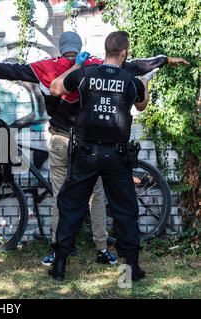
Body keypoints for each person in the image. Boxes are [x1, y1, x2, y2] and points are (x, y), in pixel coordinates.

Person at [0, 31, 189, 266]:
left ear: (61, 47)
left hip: (60, 138)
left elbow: (10, 71)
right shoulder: (95, 65)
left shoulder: (47, 67)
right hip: (87, 143)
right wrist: (165, 60)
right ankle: (102, 249)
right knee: (96, 197)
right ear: (79, 46)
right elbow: (135, 65)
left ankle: (59, 252)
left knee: (61, 197)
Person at [49, 31, 157, 281]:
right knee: (125, 210)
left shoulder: (86, 74)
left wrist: (76, 64)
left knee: (71, 206)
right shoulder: (131, 80)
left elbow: (55, 88)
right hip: (116, 156)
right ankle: (131, 269)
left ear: (106, 50)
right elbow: (141, 105)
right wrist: (147, 80)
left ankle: (59, 266)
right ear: (125, 53)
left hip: (85, 153)